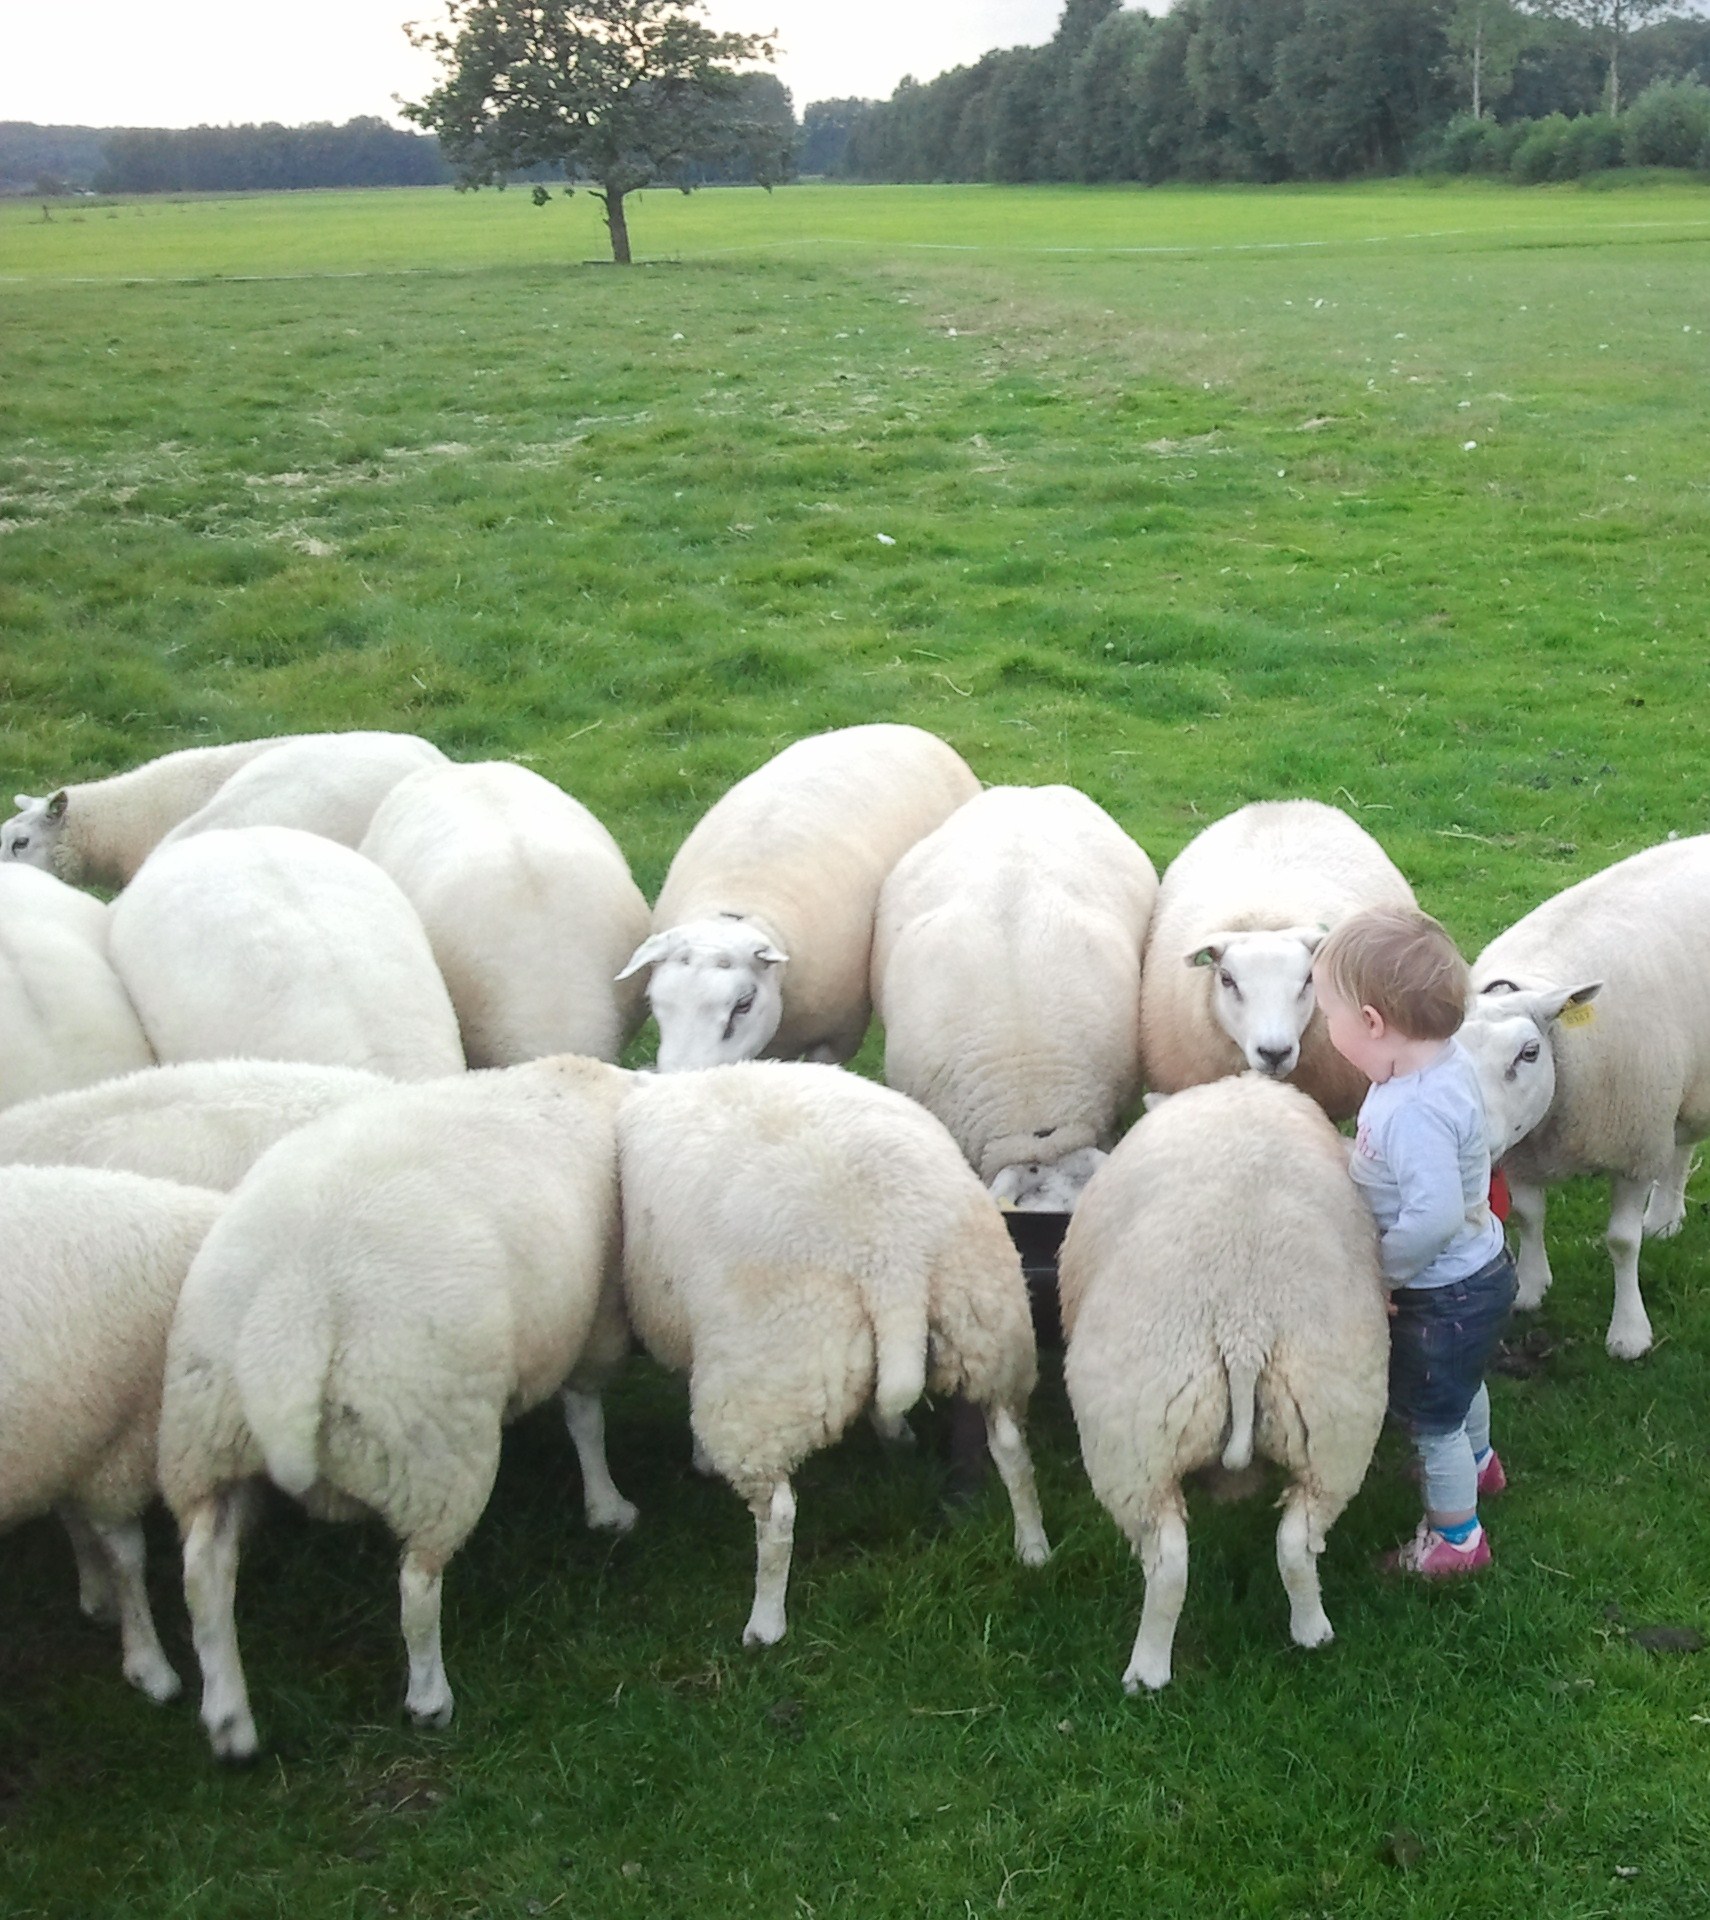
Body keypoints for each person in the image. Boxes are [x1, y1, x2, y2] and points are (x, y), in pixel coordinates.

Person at [1312, 905, 1517, 1577]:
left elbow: (1429, 1218)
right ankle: (1482, 1466)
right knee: (1463, 1387)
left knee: (1433, 1420)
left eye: (1330, 1015)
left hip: (1443, 1290)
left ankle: (1456, 1539)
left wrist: (1381, 1276)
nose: (1326, 1027)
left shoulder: (1412, 1111)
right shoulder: (1443, 1066)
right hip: (1481, 1272)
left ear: (1372, 1023)